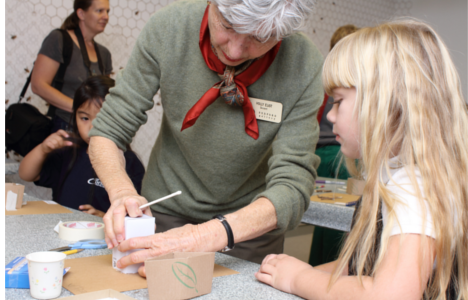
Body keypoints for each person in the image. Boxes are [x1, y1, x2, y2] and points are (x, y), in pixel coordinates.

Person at [88, 0, 323, 274]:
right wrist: (122, 192)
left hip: (248, 229)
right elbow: (108, 130)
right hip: (164, 214)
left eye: (259, 37)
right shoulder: (169, 28)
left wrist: (206, 236)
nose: (234, 50)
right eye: (228, 25)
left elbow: (293, 184)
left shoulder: (304, 63)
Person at [256, 19, 467, 299]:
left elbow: (390, 295)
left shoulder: (414, 187)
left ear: (384, 103)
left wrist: (299, 279)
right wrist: (304, 275)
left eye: (339, 101)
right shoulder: (393, 173)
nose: (330, 115)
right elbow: (362, 268)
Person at [19, 76, 145, 217]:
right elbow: (26, 174)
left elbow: (135, 214)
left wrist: (103, 217)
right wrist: (43, 149)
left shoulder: (131, 162)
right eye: (85, 118)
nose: (92, 127)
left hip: (103, 237)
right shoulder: (68, 151)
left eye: (102, 118)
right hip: (63, 231)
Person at [309, 24, 358, 267]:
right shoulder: (329, 81)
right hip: (332, 156)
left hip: (332, 155)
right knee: (334, 221)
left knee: (330, 220)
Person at [31, 0, 112, 133]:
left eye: (107, 11)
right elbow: (38, 85)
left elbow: (104, 95)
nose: (106, 17)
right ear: (81, 13)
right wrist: (82, 111)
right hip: (64, 126)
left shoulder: (105, 54)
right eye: (99, 11)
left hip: (93, 129)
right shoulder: (59, 39)